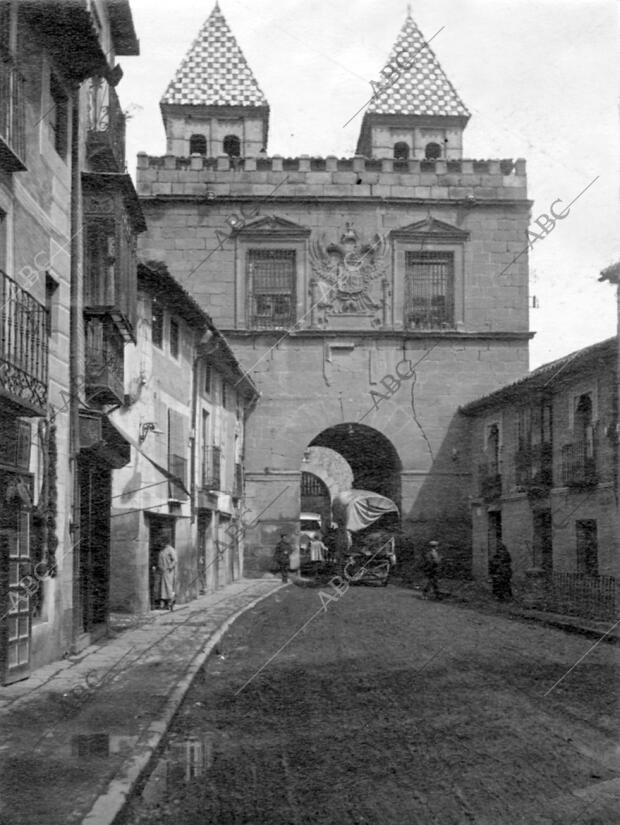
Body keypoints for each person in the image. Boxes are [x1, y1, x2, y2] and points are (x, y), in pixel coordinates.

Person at [157, 537, 177, 610]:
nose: (161, 544)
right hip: (162, 571)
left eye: (162, 542)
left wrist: (170, 567)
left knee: (168, 586)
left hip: (168, 571)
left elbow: (175, 560)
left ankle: (170, 602)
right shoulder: (162, 550)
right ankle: (162, 603)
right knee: (161, 587)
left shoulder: (170, 549)